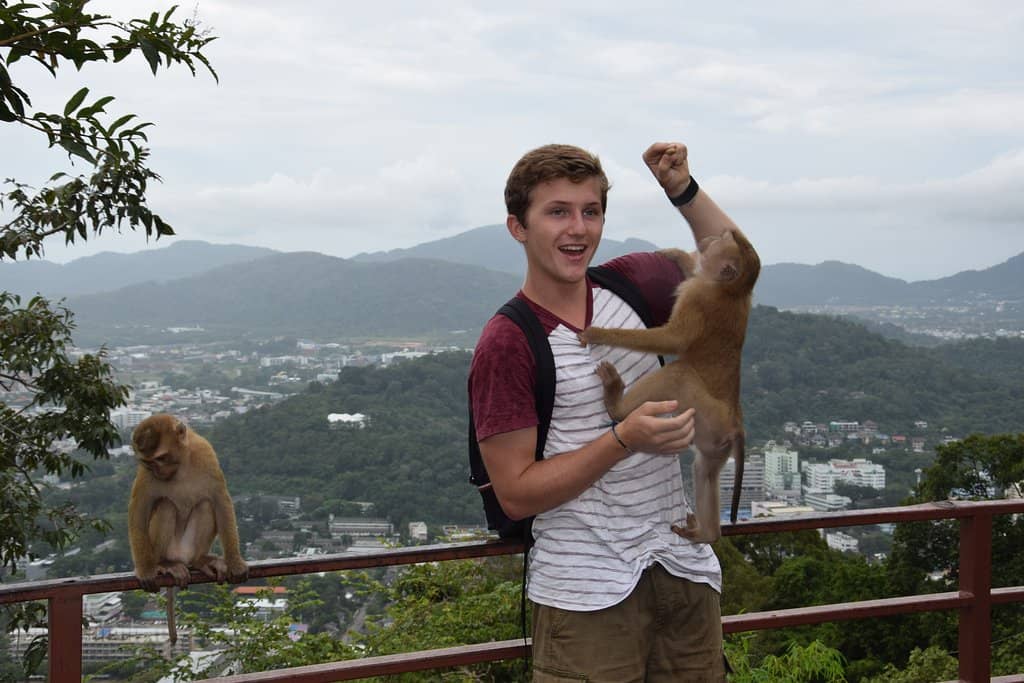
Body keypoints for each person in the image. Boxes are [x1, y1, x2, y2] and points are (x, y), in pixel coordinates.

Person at [468, 141, 742, 682]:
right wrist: (624, 440)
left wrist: (681, 190)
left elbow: (733, 269)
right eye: (557, 212)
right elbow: (516, 493)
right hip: (586, 594)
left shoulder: (634, 285)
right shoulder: (508, 342)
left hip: (682, 571)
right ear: (517, 228)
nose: (578, 229)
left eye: (590, 212)